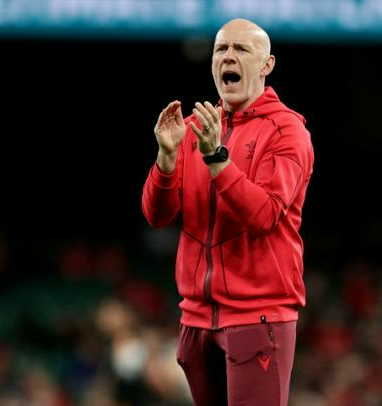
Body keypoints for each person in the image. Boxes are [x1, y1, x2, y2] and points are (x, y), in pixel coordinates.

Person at [142, 18, 314, 406]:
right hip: (195, 318)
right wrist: (166, 159)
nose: (228, 57)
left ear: (267, 64)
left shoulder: (286, 131)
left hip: (258, 315)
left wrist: (216, 158)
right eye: (221, 49)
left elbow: (264, 215)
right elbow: (157, 216)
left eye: (241, 49)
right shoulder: (194, 129)